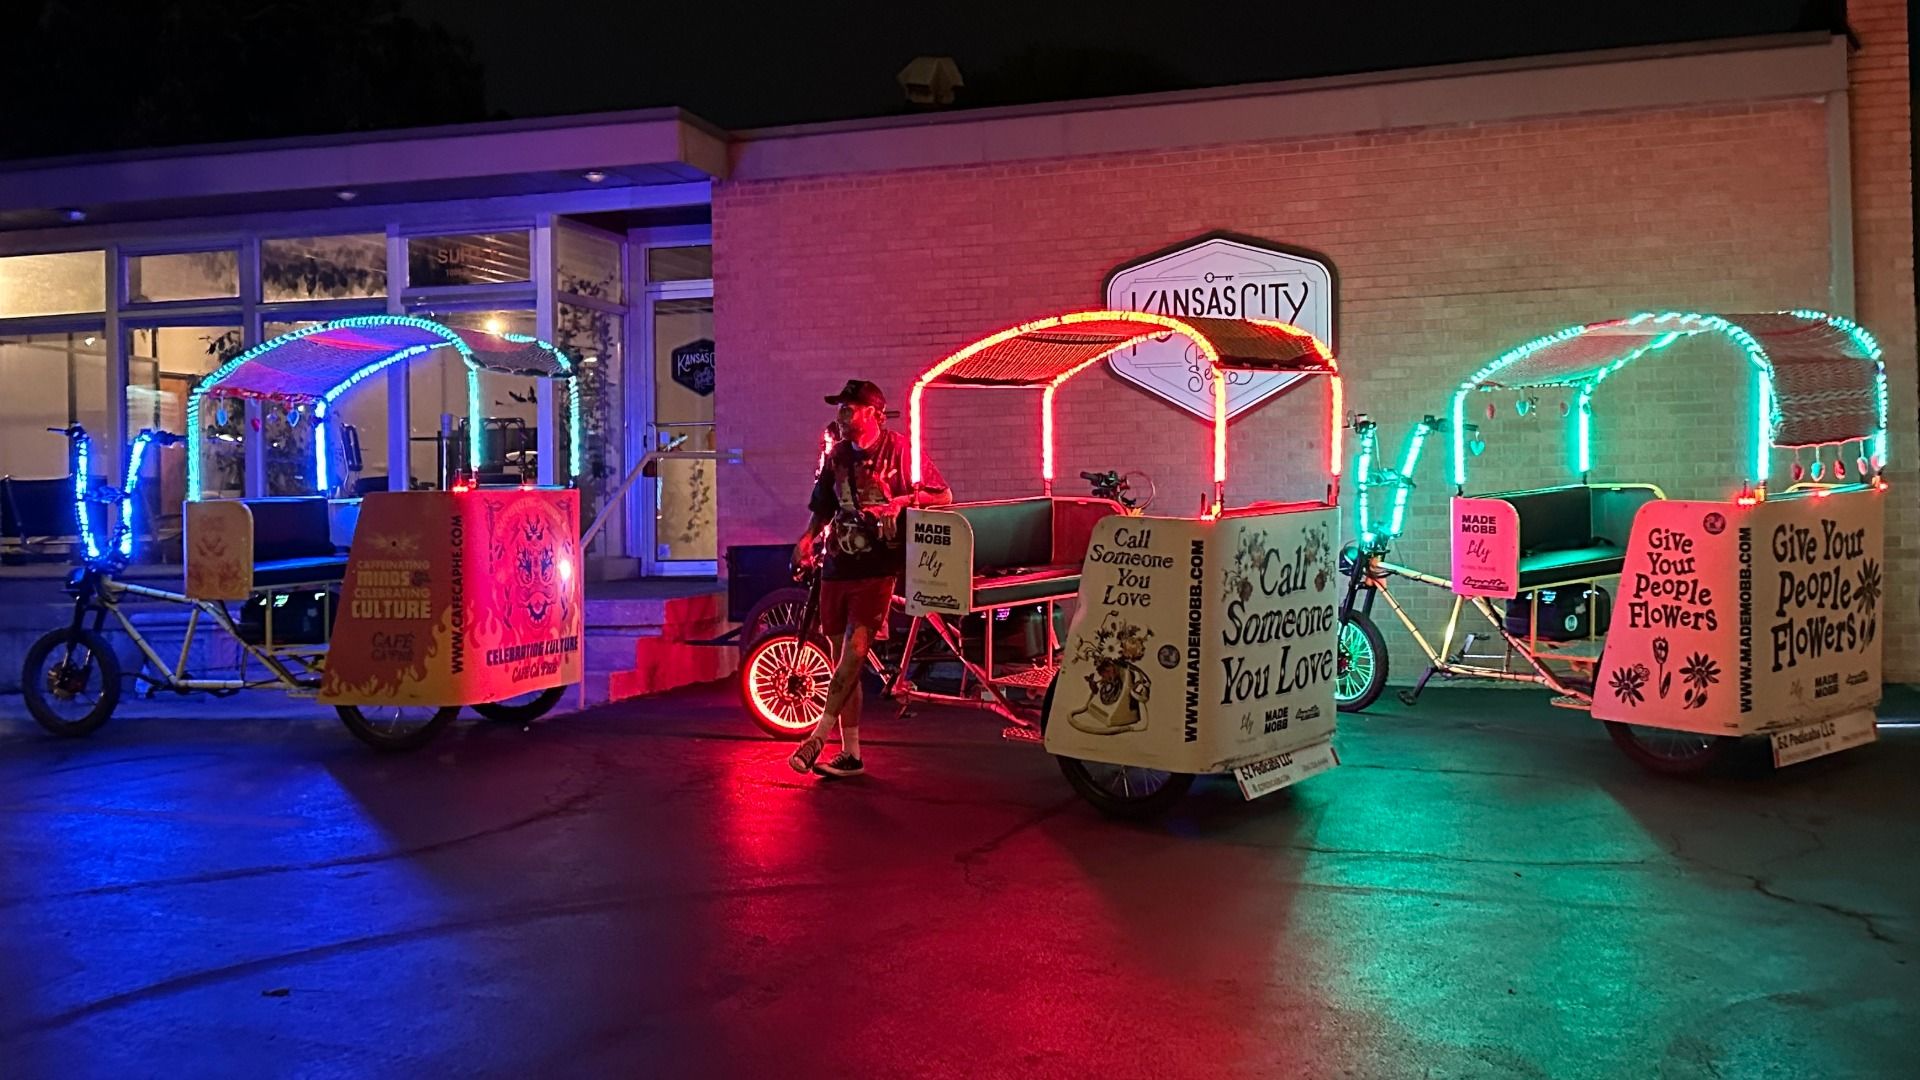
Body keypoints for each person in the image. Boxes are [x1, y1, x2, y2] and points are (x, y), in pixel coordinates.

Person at [789, 379, 950, 778]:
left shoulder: (901, 450)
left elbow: (943, 495)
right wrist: (808, 538)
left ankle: (817, 738)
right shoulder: (838, 455)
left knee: (855, 651)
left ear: (874, 413)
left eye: (848, 409)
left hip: (877, 567)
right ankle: (852, 753)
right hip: (837, 566)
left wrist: (901, 501)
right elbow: (823, 506)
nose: (841, 416)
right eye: (839, 409)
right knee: (841, 662)